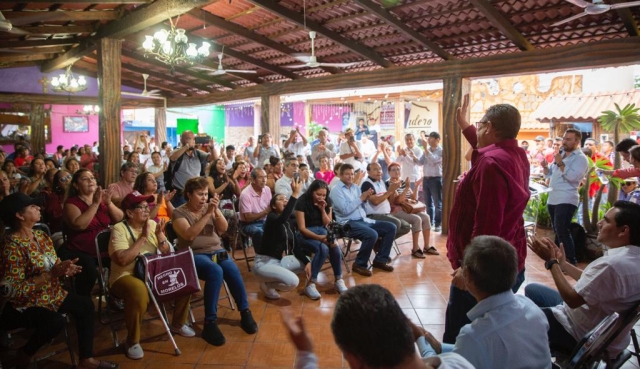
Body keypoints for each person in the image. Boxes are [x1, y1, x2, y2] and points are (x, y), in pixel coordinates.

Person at [444, 95, 530, 343]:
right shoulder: (515, 154)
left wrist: (469, 268)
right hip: (507, 259)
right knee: (489, 333)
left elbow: (487, 224)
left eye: (480, 125)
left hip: (484, 270)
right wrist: (465, 125)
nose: (478, 129)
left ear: (489, 128)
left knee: (460, 337)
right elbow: (488, 148)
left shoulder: (490, 164)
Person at [0, 193, 119, 369]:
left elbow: (54, 264)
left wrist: (66, 269)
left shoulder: (41, 236)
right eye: (33, 207)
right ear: (19, 215)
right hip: (23, 303)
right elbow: (14, 291)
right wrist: (50, 275)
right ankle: (25, 353)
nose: (38, 208)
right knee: (55, 321)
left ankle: (86, 360)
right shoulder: (11, 246)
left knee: (85, 305)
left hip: (50, 294)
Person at [525, 201, 640, 357]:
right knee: (533, 290)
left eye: (606, 220)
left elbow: (572, 299)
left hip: (577, 332)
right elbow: (593, 282)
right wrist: (563, 264)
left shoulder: (613, 265)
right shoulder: (632, 258)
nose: (599, 223)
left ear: (623, 230)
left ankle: (537, 352)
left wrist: (552, 263)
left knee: (519, 320)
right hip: (600, 329)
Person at [416, 236, 550, 369]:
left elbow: (474, 348)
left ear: (466, 275)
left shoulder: (475, 335)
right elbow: (484, 352)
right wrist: (440, 347)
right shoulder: (532, 309)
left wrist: (420, 339)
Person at [281, 284, 474, 369]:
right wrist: (421, 338)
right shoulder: (457, 362)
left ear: (355, 363)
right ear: (405, 329)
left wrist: (305, 353)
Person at [172, 177, 258, 346]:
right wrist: (207, 214)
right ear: (189, 195)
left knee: (232, 269)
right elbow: (189, 235)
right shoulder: (179, 212)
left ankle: (245, 312)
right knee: (215, 271)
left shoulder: (208, 208)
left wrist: (215, 211)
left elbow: (223, 229)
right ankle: (210, 322)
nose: (204, 198)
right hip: (193, 255)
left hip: (217, 250)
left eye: (205, 194)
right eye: (199, 194)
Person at [108, 193, 193, 360]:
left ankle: (178, 323)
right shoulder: (119, 228)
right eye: (142, 207)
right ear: (130, 212)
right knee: (138, 290)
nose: (147, 210)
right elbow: (123, 259)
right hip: (126, 276)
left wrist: (161, 237)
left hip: (153, 273)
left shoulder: (153, 225)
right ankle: (132, 341)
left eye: (148, 207)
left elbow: (169, 253)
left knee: (183, 275)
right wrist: (144, 237)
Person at [59, 169, 124, 296]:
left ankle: (116, 294)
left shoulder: (102, 200)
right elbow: (79, 225)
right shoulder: (71, 203)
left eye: (92, 178)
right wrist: (95, 204)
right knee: (88, 268)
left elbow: (119, 218)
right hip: (80, 250)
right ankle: (83, 301)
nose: (90, 180)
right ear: (76, 185)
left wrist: (109, 202)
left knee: (123, 260)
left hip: (104, 249)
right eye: (85, 179)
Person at [329, 163, 397, 276]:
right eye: (347, 174)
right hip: (347, 223)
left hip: (363, 219)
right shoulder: (336, 190)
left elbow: (361, 206)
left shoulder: (355, 187)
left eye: (352, 174)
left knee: (391, 227)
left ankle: (380, 260)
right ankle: (359, 264)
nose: (350, 176)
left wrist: (364, 200)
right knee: (372, 234)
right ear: (340, 175)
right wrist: (361, 198)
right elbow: (345, 210)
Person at [540, 129, 589, 265]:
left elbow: (572, 177)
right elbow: (550, 174)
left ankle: (571, 261)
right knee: (557, 230)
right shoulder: (561, 155)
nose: (565, 141)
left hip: (566, 198)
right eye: (564, 138)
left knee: (563, 230)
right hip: (553, 197)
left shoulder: (580, 158)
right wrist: (545, 168)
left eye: (569, 139)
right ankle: (558, 259)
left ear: (577, 142)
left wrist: (561, 163)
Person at [254, 177, 307, 300]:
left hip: (278, 262)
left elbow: (294, 246)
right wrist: (295, 193)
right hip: (263, 263)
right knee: (293, 282)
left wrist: (308, 263)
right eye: (280, 199)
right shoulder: (272, 218)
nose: (285, 200)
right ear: (273, 206)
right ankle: (267, 284)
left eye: (286, 199)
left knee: (306, 261)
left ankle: (272, 279)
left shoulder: (288, 222)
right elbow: (281, 218)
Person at [295, 180, 348, 300]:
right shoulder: (302, 201)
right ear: (311, 192)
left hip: (322, 229)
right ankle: (311, 284)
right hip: (306, 233)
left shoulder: (326, 201)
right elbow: (302, 229)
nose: (321, 197)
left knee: (334, 246)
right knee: (323, 248)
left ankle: (338, 279)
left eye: (324, 195)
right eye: (318, 194)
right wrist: (320, 238)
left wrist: (322, 209)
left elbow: (328, 224)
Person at [387, 162, 438, 258]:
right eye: (393, 170)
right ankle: (415, 248)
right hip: (396, 211)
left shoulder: (402, 182)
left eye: (398, 169)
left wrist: (416, 186)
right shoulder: (390, 184)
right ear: (389, 172)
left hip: (408, 209)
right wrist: (406, 188)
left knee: (426, 217)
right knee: (416, 219)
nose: (396, 171)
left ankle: (426, 246)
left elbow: (413, 198)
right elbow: (397, 201)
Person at [361, 162, 411, 239]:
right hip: (374, 215)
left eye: (380, 169)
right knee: (396, 223)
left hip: (387, 214)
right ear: (368, 172)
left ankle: (381, 242)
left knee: (406, 227)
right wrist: (390, 191)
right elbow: (375, 202)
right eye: (375, 169)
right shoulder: (367, 184)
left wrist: (393, 191)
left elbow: (389, 201)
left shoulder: (381, 182)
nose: (379, 171)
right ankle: (380, 242)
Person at [169, 130, 215, 208]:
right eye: (188, 138)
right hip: (180, 193)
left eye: (193, 139)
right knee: (181, 216)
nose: (191, 141)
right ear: (181, 140)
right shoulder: (177, 152)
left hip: (196, 192)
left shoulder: (198, 153)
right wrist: (186, 146)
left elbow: (214, 158)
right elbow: (173, 158)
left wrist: (212, 148)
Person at [239, 168, 272, 252]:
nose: (264, 180)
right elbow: (248, 218)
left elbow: (271, 208)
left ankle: (275, 255)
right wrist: (265, 211)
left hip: (265, 221)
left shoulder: (267, 189)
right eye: (261, 177)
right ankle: (260, 256)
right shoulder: (245, 194)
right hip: (248, 224)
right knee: (258, 232)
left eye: (265, 177)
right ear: (253, 180)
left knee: (281, 226)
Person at [419, 132, 443, 231]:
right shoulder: (427, 150)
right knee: (428, 203)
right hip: (426, 179)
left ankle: (438, 224)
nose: (428, 140)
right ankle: (429, 223)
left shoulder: (441, 150)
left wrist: (425, 149)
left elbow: (433, 160)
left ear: (437, 140)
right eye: (428, 139)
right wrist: (411, 156)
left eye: (431, 138)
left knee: (438, 203)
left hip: (436, 179)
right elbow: (420, 162)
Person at [43, 169, 71, 243]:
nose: (67, 180)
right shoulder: (54, 197)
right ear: (58, 184)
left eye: (68, 177)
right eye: (62, 179)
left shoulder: (79, 193)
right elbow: (55, 217)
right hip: (60, 231)